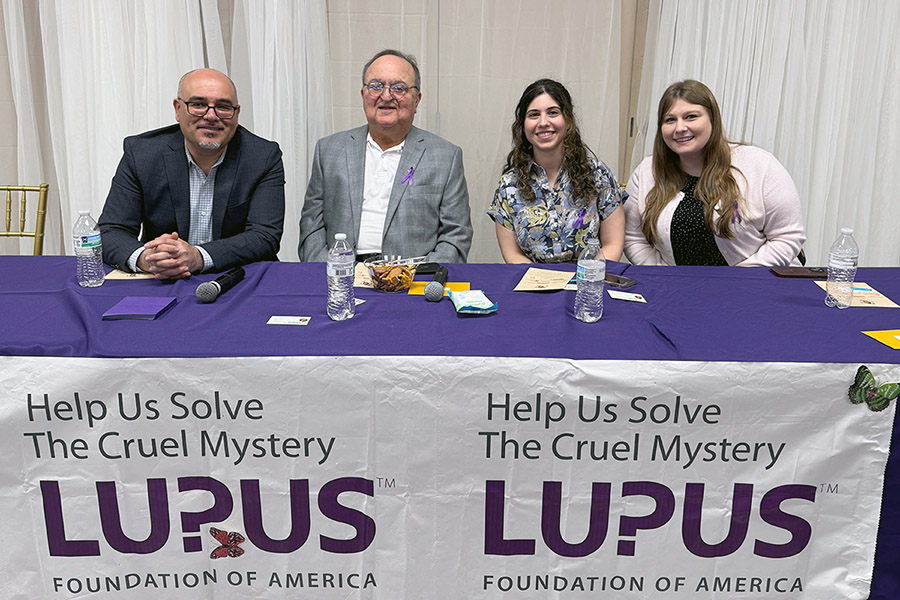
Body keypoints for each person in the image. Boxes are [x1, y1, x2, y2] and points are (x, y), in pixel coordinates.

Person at [99, 68, 285, 279]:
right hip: (161, 279)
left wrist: (198, 257)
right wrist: (147, 259)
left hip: (236, 278)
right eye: (198, 104)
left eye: (223, 107)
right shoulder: (141, 154)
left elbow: (264, 236)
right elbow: (110, 231)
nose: (211, 116)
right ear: (178, 109)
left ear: (237, 112)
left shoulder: (263, 157)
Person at [299, 49, 472, 263]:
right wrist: (330, 270)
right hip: (341, 274)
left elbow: (456, 235)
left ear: (416, 100)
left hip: (411, 278)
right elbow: (311, 224)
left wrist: (419, 276)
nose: (386, 95)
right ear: (363, 95)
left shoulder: (446, 156)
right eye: (376, 86)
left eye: (399, 88)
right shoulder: (329, 150)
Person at [624, 79, 805, 266]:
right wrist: (662, 275)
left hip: (751, 284)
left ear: (713, 119)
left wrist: (738, 279)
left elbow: (788, 236)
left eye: (691, 116)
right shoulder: (646, 172)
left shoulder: (759, 164)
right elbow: (633, 238)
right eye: (670, 120)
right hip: (675, 287)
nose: (679, 128)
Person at [487, 79, 626, 263]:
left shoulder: (598, 175)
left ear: (568, 121)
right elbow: (513, 255)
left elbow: (613, 244)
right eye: (534, 115)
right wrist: (543, 285)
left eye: (553, 113)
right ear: (523, 125)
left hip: (587, 284)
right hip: (533, 286)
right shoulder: (509, 185)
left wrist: (585, 279)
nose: (543, 122)